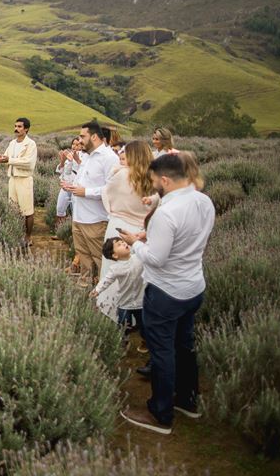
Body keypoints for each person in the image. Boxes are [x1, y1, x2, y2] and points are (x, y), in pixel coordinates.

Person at [118, 154, 216, 435]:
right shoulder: (203, 201)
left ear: (165, 179)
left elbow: (156, 260)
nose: (153, 187)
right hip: (194, 286)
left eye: (154, 182)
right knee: (185, 347)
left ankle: (160, 414)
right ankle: (188, 401)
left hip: (165, 292)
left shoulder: (166, 213)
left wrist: (133, 243)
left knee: (163, 352)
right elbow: (191, 238)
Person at [97, 140, 157, 317]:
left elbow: (107, 197)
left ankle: (112, 311)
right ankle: (138, 314)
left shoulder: (121, 175)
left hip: (119, 228)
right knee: (138, 275)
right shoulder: (155, 178)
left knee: (114, 269)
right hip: (142, 232)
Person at [63, 120, 120, 285]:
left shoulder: (109, 158)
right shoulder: (87, 155)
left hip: (95, 218)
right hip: (79, 215)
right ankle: (85, 283)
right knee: (83, 253)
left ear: (94, 137)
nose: (79, 140)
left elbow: (112, 188)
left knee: (98, 255)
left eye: (82, 136)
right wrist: (71, 187)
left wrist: (85, 192)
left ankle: (103, 289)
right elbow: (83, 180)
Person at [0, 117, 37, 246]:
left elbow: (29, 163)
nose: (16, 129)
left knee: (27, 210)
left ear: (26, 129)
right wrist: (2, 159)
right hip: (12, 179)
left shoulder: (31, 144)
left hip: (24, 180)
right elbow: (7, 157)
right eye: (15, 126)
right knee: (13, 209)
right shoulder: (12, 143)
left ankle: (28, 237)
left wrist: (9, 160)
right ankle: (16, 234)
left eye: (19, 126)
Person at [90, 237, 145, 331]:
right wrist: (97, 290)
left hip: (141, 302)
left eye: (123, 242)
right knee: (124, 326)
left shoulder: (139, 257)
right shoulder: (116, 268)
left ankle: (145, 341)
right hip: (124, 303)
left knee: (144, 325)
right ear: (115, 255)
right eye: (119, 245)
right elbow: (106, 280)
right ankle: (124, 342)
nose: (124, 244)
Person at [54, 137, 82, 230]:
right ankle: (60, 231)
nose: (74, 146)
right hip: (65, 187)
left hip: (76, 188)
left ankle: (74, 232)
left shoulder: (85, 156)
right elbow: (61, 171)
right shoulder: (68, 155)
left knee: (76, 211)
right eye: (73, 144)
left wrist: (76, 159)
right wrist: (62, 160)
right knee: (60, 208)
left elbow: (83, 170)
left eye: (77, 144)